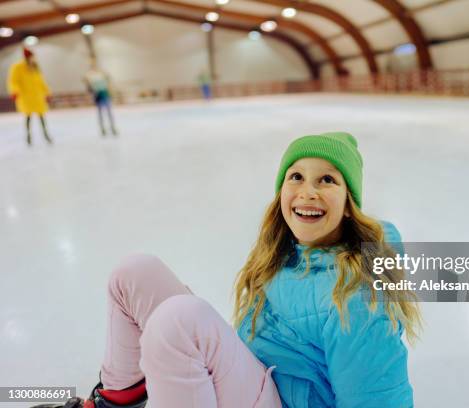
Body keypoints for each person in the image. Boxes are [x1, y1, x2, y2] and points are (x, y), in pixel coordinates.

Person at [36, 132, 420, 408]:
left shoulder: (359, 295)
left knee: (180, 319)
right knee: (135, 273)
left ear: (350, 203)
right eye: (296, 176)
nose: (308, 191)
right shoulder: (282, 253)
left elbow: (378, 395)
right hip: (256, 382)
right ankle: (117, 401)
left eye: (328, 180)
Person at [6, 47, 53, 146]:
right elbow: (13, 81)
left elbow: (41, 82)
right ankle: (28, 136)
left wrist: (47, 93)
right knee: (28, 117)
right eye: (32, 57)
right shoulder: (18, 67)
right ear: (28, 57)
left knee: (41, 117)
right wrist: (15, 91)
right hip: (26, 97)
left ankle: (46, 135)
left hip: (37, 97)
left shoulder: (35, 68)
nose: (34, 59)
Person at [83, 58, 118, 136]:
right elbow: (87, 84)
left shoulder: (102, 74)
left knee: (109, 113)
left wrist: (110, 92)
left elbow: (108, 80)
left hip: (105, 94)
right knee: (101, 113)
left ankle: (112, 127)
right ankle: (103, 129)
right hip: (98, 95)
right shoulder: (90, 75)